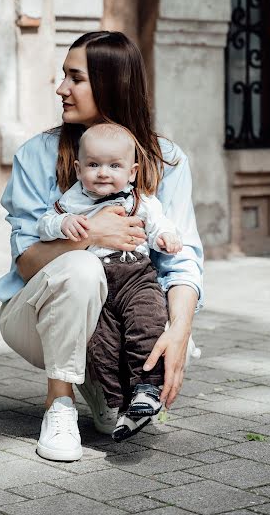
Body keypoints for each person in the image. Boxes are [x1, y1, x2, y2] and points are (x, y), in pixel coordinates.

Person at [0, 31, 203, 462]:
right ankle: (59, 404)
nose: (61, 88)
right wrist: (91, 235)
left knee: (150, 308)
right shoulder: (37, 154)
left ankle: (110, 390)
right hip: (34, 315)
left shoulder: (166, 161)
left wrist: (180, 331)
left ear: (111, 84)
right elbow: (28, 262)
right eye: (63, 76)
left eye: (75, 78)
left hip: (121, 308)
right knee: (83, 269)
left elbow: (180, 262)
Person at [36, 122, 184, 441]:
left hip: (135, 276)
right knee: (101, 344)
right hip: (96, 284)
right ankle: (119, 404)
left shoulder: (139, 200)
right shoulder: (71, 202)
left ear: (131, 172)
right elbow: (43, 225)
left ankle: (147, 390)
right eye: (93, 165)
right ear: (78, 169)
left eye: (114, 166)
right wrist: (63, 224)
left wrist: (166, 237)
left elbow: (158, 223)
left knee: (146, 326)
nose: (103, 172)